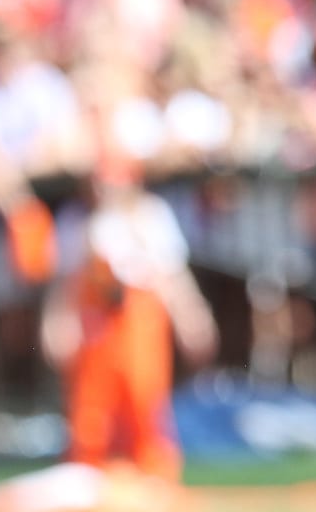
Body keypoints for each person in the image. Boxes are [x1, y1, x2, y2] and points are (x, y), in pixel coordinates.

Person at [40, 156, 217, 481]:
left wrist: (191, 316)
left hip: (140, 315)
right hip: (95, 319)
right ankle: (88, 471)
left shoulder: (150, 215)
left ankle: (152, 470)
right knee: (91, 403)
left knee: (145, 396)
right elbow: (67, 281)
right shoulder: (77, 220)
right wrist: (58, 322)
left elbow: (171, 273)